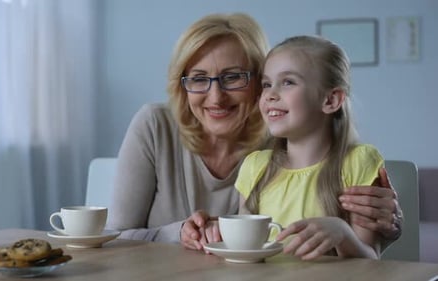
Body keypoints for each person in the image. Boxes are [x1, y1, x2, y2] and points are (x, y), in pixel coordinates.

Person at [107, 13, 402, 248]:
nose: (216, 97)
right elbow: (114, 237)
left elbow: (352, 242)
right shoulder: (154, 125)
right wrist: (179, 232)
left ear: (257, 81)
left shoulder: (286, 138)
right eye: (198, 79)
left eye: (232, 77)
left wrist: (386, 225)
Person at [236, 35, 384, 260]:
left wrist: (343, 233)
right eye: (267, 84)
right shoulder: (254, 166)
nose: (270, 95)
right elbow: (245, 253)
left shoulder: (359, 162)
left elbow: (371, 262)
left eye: (288, 82)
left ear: (330, 101)